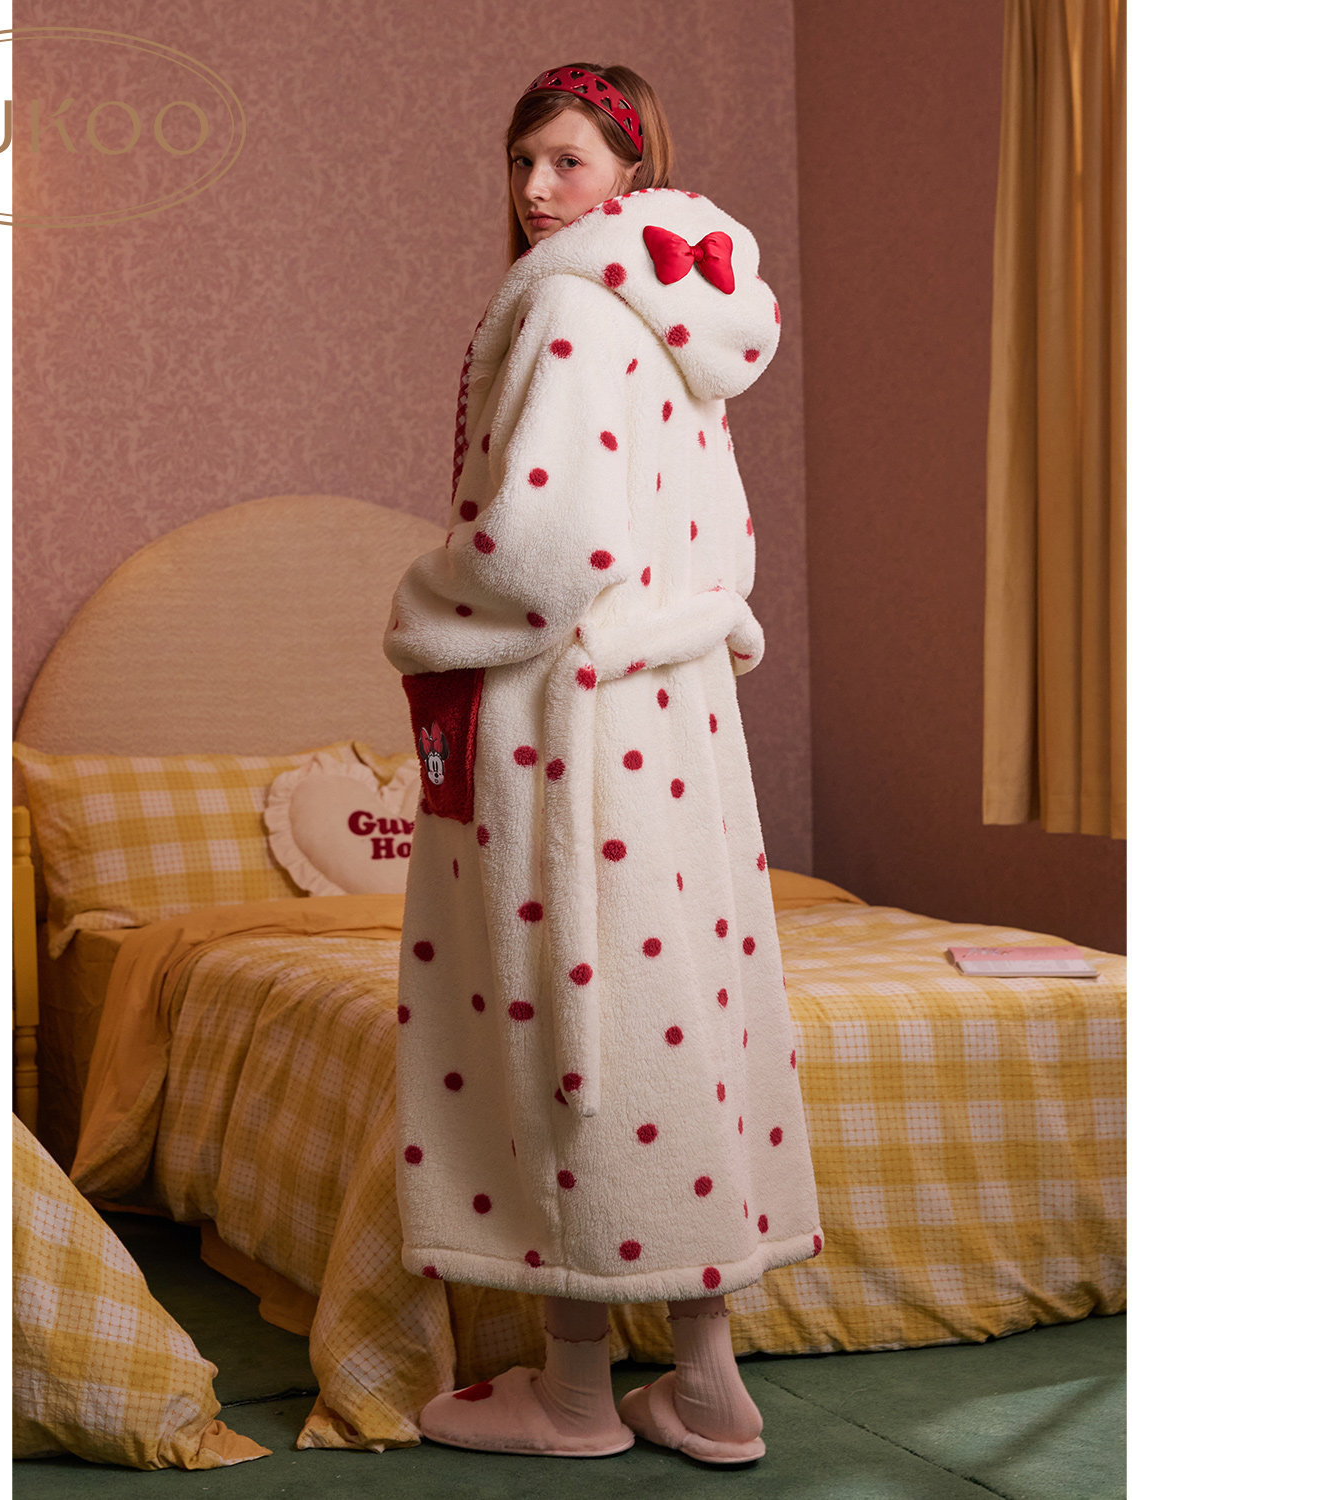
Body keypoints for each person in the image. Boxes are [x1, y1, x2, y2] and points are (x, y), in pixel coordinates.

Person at [381, 61, 824, 1465]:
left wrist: (423, 600)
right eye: (521, 161)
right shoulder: (677, 315)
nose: (535, 190)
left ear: (631, 170)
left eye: (566, 161)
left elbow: (541, 552)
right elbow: (718, 543)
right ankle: (708, 1385)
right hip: (676, 703)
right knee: (668, 1007)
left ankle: (576, 1392)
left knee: (562, 1021)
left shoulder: (572, 308)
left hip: (567, 708)